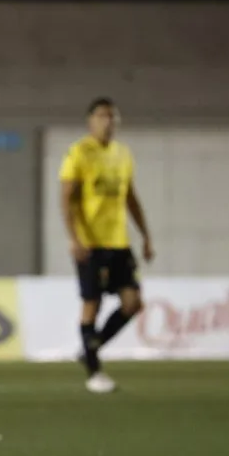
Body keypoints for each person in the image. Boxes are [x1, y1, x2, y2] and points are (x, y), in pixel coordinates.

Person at [59, 96, 154, 394]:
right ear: (91, 121)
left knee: (133, 302)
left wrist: (146, 235)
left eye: (112, 117)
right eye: (102, 116)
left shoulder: (122, 154)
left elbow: (130, 197)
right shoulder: (78, 153)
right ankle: (94, 373)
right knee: (92, 304)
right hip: (91, 243)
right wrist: (74, 239)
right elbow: (66, 199)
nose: (108, 121)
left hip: (119, 242)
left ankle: (90, 347)